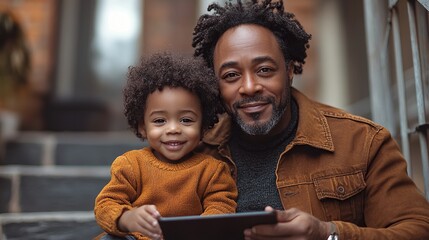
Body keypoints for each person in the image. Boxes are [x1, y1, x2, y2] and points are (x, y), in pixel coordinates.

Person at [192, 0, 429, 239]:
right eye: (231, 75)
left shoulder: (362, 143)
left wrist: (327, 233)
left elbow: (418, 230)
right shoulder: (194, 152)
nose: (250, 87)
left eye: (264, 70)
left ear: (290, 70)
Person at [94, 53, 237, 240]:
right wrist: (127, 218)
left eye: (186, 120)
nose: (173, 129)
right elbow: (106, 204)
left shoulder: (212, 171)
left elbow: (222, 208)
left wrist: (198, 231)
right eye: (160, 120)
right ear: (142, 127)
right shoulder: (131, 164)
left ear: (203, 128)